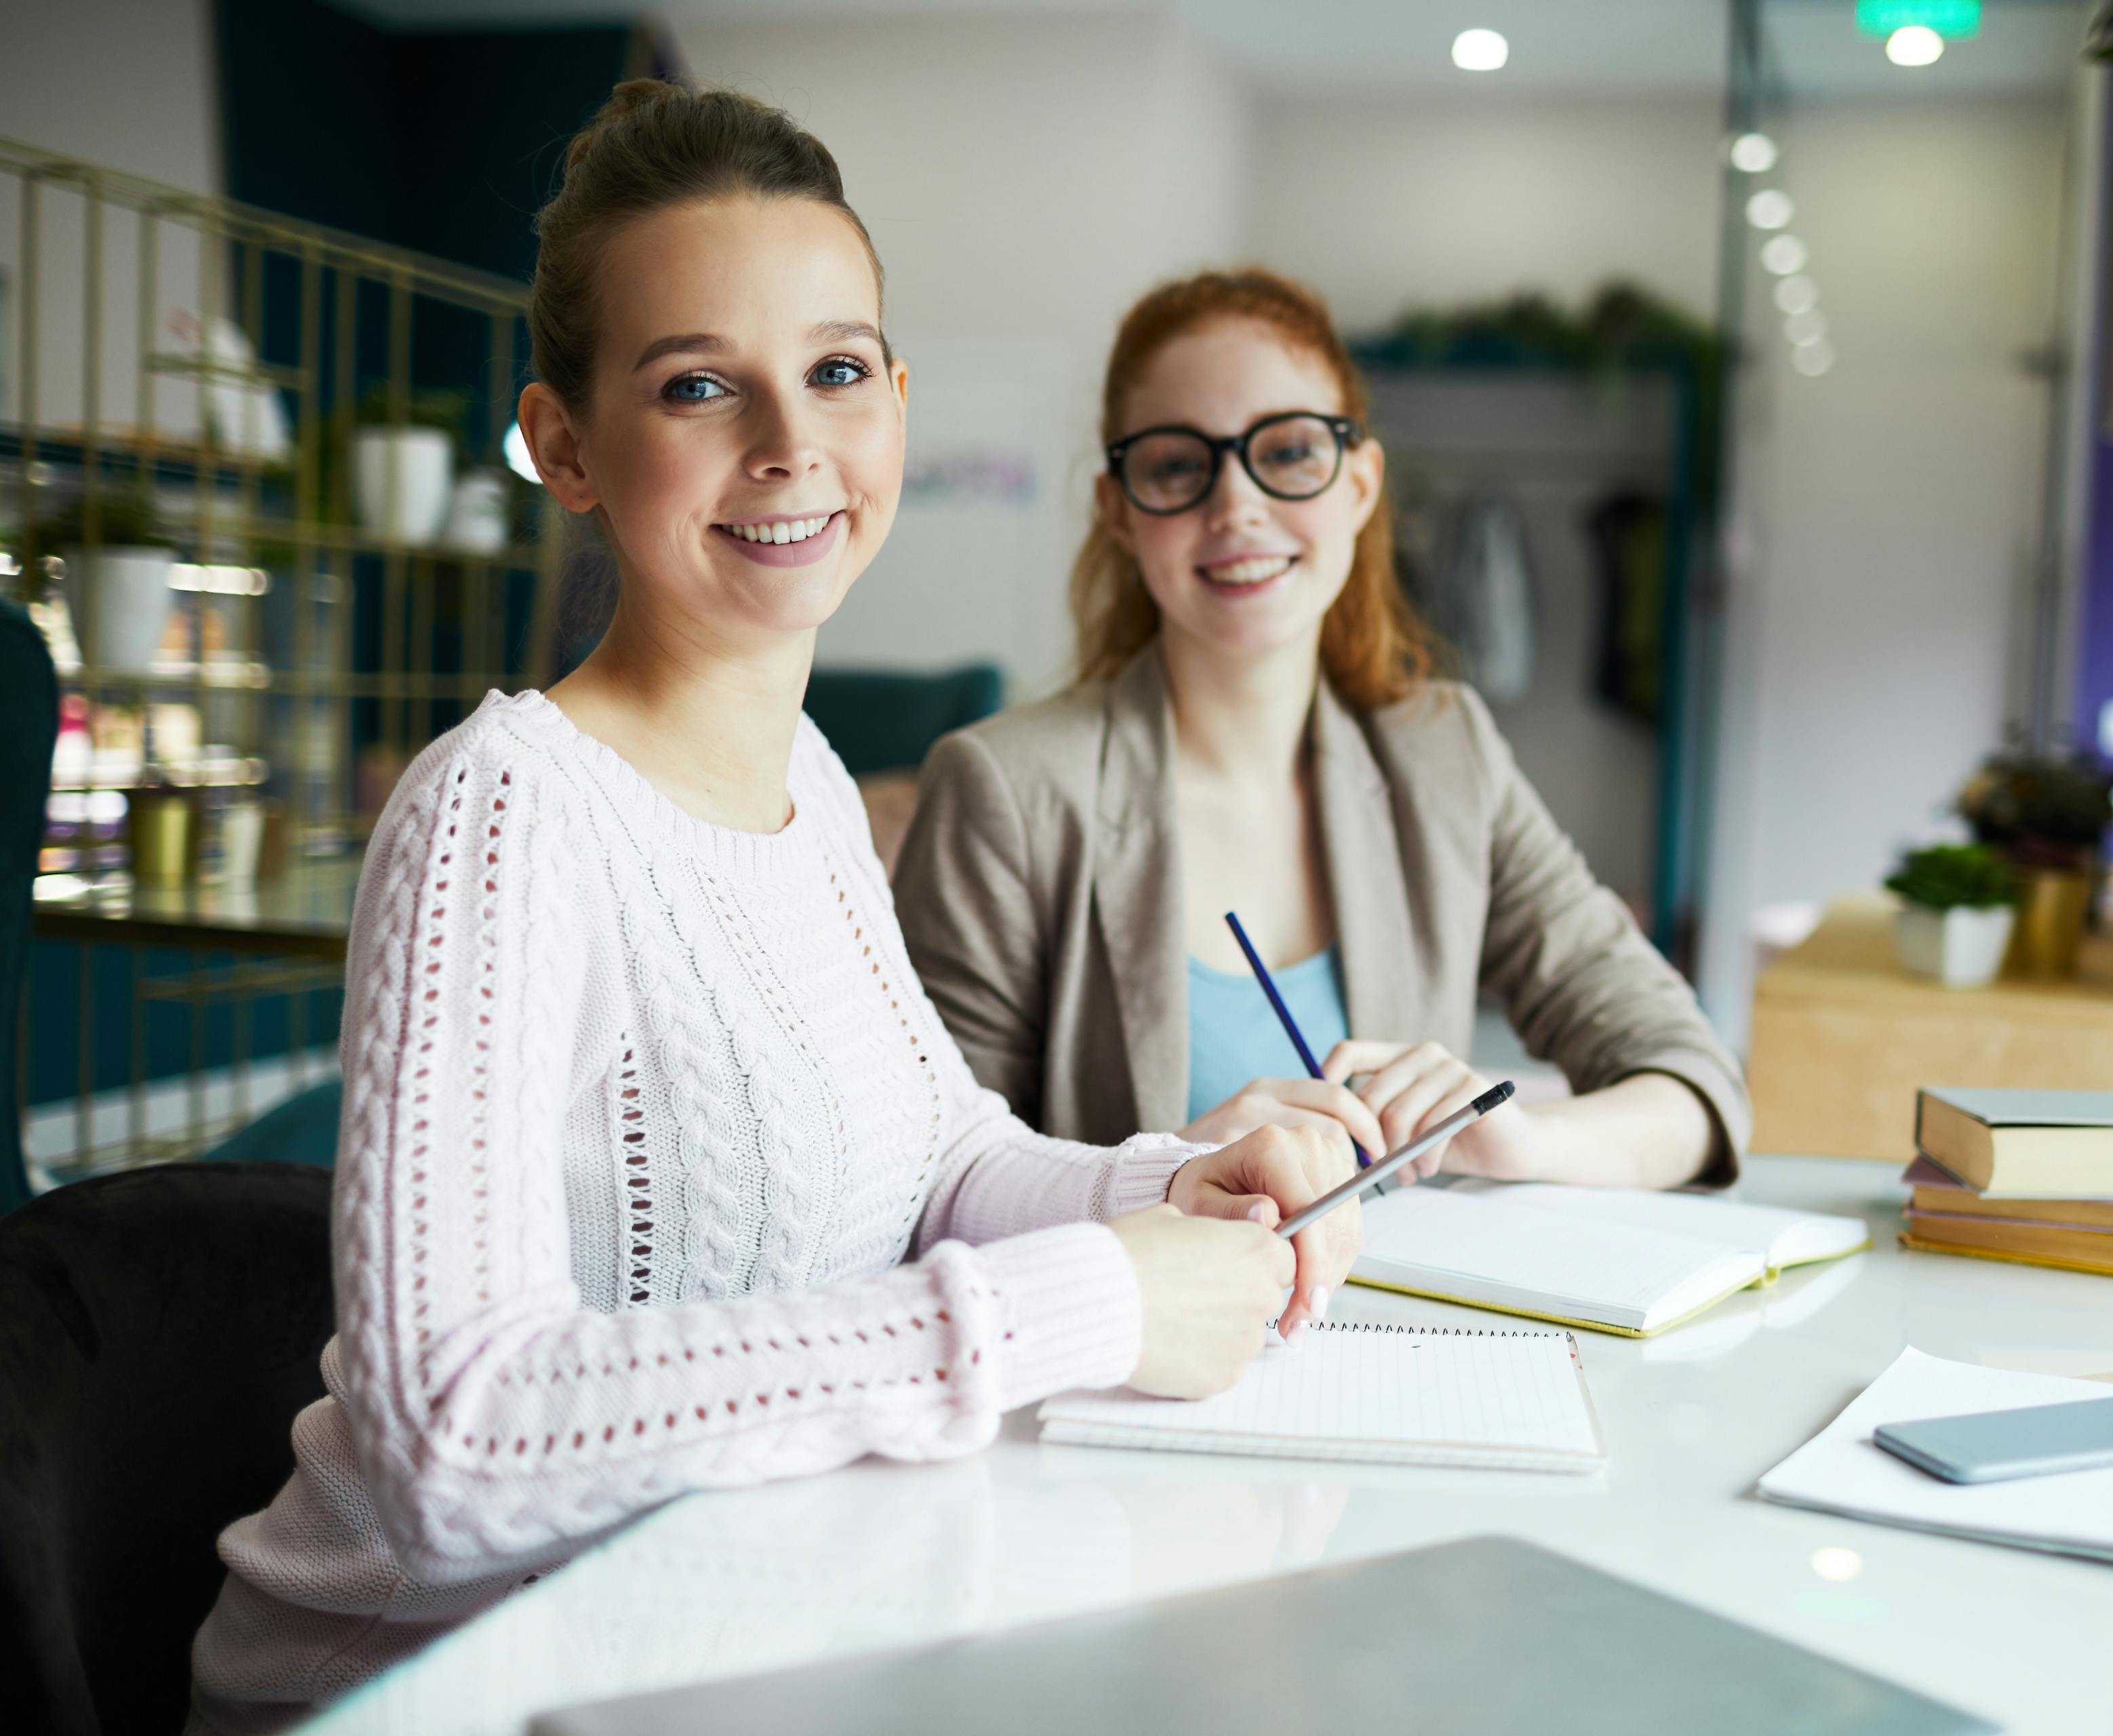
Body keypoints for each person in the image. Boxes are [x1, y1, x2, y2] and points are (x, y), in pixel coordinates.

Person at [186, 88, 1358, 1735]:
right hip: (434, 1691)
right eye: (696, 385)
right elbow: (453, 1438)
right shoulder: (501, 808)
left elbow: (939, 1161)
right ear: (567, 446)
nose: (791, 444)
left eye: (836, 369)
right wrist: (1091, 1301)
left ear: (895, 402)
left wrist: (1176, 1184)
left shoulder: (809, 782)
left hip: (729, 1636)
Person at [892, 270, 1747, 1190]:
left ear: (1361, 483)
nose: (1237, 506)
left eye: (1290, 451)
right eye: (1179, 465)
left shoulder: (1445, 755)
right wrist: (1166, 1174)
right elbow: (932, 1188)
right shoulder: (1006, 790)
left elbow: (1693, 1082)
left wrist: (1516, 1140)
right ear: (1119, 511)